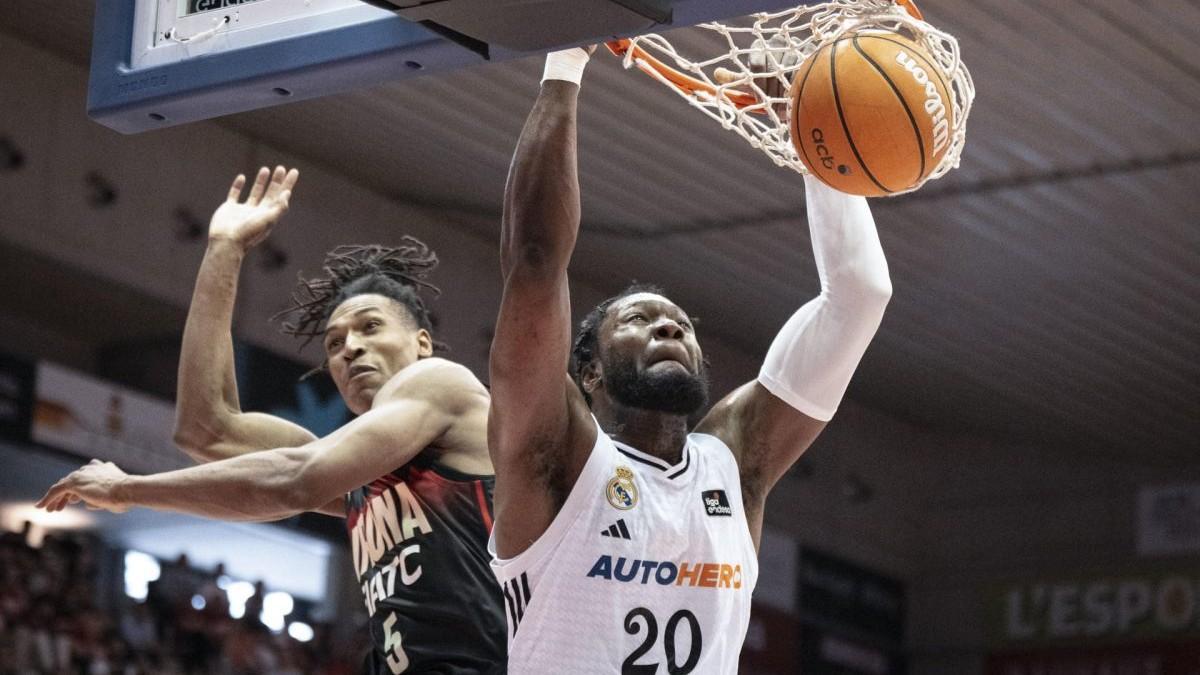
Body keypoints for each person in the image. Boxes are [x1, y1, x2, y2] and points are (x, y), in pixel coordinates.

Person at [486, 48, 893, 673]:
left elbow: (861, 296)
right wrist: (565, 60)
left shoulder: (733, 461)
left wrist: (810, 138)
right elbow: (536, 263)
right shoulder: (556, 456)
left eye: (680, 323)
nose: (670, 325)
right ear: (589, 372)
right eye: (638, 320)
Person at [38, 167, 506, 674]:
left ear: (422, 343)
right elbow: (205, 429)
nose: (350, 348)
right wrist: (223, 250)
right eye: (334, 342)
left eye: (370, 327)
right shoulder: (356, 475)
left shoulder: (440, 382)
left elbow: (296, 480)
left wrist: (126, 488)